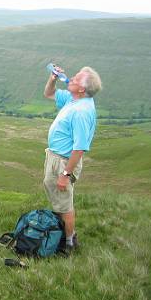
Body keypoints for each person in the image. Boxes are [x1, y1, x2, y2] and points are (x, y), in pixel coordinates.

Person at [43, 65, 102, 253]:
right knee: (58, 200)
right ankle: (63, 236)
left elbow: (79, 149)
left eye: (75, 79)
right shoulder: (73, 98)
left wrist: (65, 174)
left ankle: (69, 244)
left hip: (63, 162)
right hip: (55, 157)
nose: (71, 79)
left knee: (64, 203)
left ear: (82, 89)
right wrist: (53, 78)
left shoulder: (81, 112)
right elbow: (49, 94)